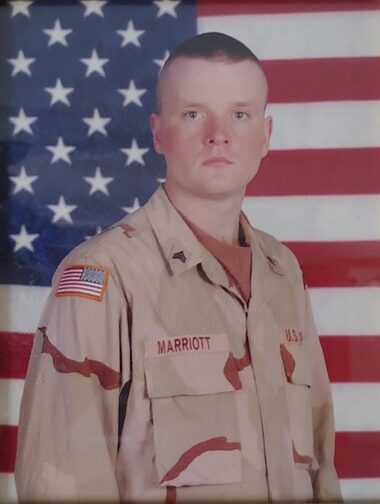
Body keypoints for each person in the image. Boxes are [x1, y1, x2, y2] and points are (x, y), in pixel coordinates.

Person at [15, 32, 341, 503]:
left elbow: (321, 467)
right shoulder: (105, 276)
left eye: (239, 114)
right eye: (193, 113)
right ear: (158, 132)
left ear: (265, 136)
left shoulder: (282, 270)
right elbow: (61, 482)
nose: (218, 134)